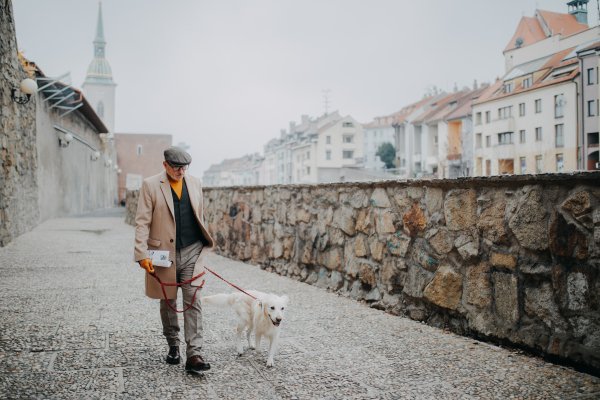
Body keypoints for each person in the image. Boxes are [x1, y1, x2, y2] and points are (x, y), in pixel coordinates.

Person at [134, 146, 214, 373]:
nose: (181, 171)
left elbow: (198, 215)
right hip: (163, 254)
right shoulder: (150, 185)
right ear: (165, 165)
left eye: (184, 167)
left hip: (192, 250)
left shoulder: (195, 183)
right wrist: (141, 254)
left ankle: (194, 354)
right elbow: (142, 222)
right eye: (176, 167)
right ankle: (173, 344)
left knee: (193, 297)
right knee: (167, 298)